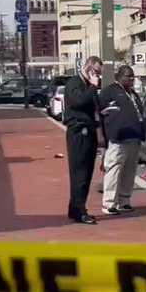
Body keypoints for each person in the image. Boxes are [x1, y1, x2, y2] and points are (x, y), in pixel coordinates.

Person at [63, 56, 105, 225]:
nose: (98, 76)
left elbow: (94, 106)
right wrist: (93, 86)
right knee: (79, 173)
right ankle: (79, 210)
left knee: (87, 173)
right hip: (78, 132)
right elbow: (79, 101)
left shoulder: (89, 86)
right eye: (96, 72)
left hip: (90, 131)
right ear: (88, 69)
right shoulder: (74, 83)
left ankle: (76, 208)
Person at [99, 65, 144, 215]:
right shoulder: (109, 91)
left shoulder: (132, 93)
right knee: (114, 170)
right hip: (117, 140)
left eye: (132, 76)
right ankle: (109, 203)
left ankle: (124, 201)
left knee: (129, 172)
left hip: (133, 139)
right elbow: (97, 111)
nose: (131, 79)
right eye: (128, 76)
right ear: (120, 76)